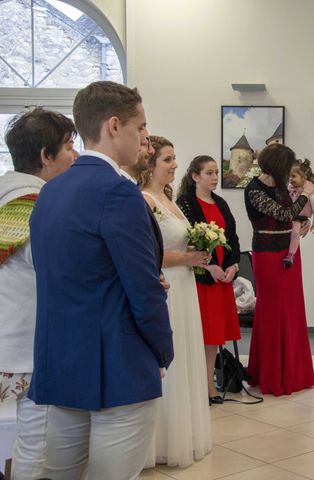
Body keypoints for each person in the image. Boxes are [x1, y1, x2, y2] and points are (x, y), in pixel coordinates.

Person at [28, 81, 174, 480]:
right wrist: (161, 351)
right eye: (140, 127)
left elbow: (67, 276)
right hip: (117, 363)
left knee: (60, 474)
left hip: (62, 360)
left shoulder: (50, 192)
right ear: (114, 126)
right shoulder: (118, 192)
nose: (145, 137)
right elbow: (143, 288)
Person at [0, 108, 76, 480]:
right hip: (25, 344)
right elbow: (57, 270)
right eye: (68, 146)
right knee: (35, 442)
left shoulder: (6, 194)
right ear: (45, 156)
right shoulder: (36, 203)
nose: (74, 155)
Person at [140, 136, 212, 467]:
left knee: (185, 357)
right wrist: (188, 258)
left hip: (185, 285)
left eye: (174, 159)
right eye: (167, 159)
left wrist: (197, 255)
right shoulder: (144, 200)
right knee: (170, 362)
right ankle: (159, 442)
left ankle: (184, 433)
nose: (174, 165)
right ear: (150, 163)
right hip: (168, 287)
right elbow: (148, 255)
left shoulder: (168, 199)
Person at [244, 143, 314, 396]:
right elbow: (284, 213)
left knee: (293, 311)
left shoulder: (282, 186)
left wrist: (304, 223)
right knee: (273, 313)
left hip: (289, 254)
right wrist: (307, 193)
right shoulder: (253, 189)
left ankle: (294, 374)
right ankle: (273, 376)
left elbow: (294, 216)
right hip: (267, 256)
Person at [176, 155, 241, 403]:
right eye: (209, 173)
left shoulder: (220, 202)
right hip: (200, 278)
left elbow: (232, 237)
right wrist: (210, 266)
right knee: (197, 334)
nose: (215, 177)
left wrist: (232, 265)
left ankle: (209, 386)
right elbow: (187, 242)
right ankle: (195, 386)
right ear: (195, 176)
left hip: (220, 280)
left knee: (213, 337)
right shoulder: (186, 203)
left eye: (216, 173)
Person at [283, 158, 314, 268]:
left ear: (304, 178)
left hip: (300, 218)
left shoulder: (309, 189)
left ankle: (291, 254)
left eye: (293, 176)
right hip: (291, 216)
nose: (290, 179)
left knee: (294, 233)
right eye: (289, 176)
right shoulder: (290, 188)